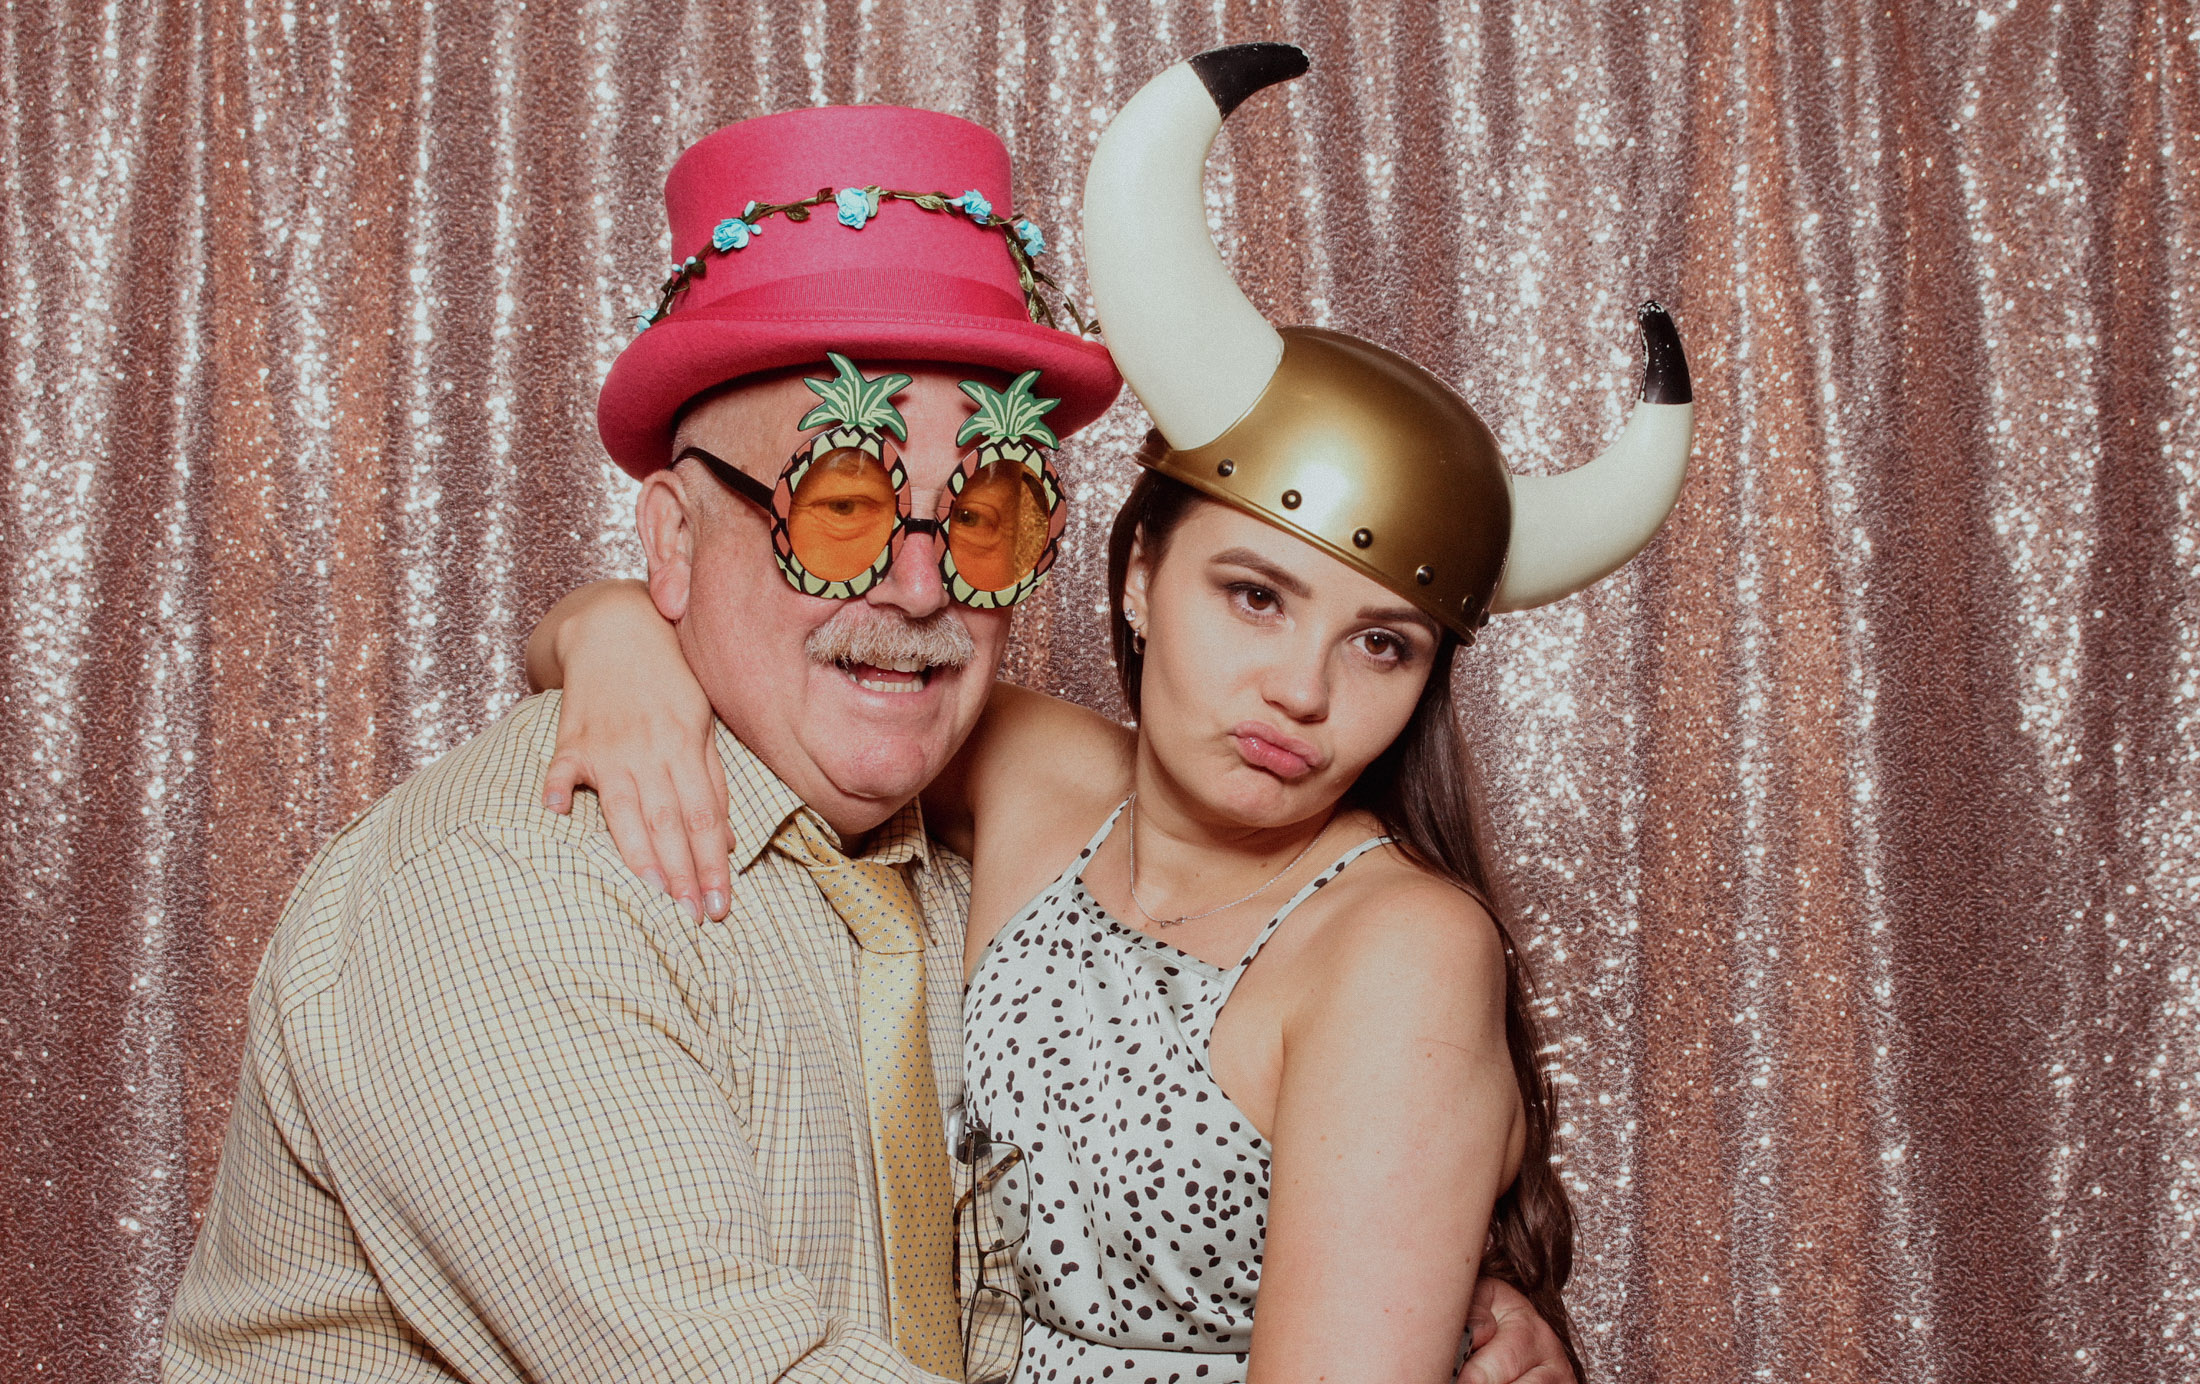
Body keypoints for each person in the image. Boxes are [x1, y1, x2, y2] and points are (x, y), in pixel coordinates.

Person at [160, 95, 1579, 1383]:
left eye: (985, 520)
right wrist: (607, 628)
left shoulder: (953, 836)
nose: (918, 588)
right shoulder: (516, 890)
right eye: (839, 510)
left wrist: (1439, 1289)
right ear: (673, 538)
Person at [533, 45, 1693, 1384]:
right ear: (1140, 573)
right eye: (1254, 597)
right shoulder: (1042, 782)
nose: (1304, 692)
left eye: (1382, 644)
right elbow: (821, 666)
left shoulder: (1402, 951)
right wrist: (614, 635)